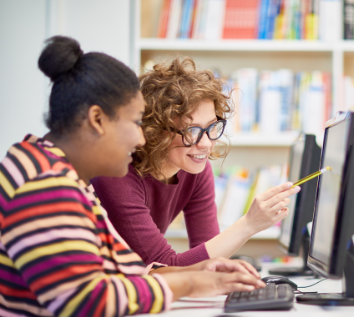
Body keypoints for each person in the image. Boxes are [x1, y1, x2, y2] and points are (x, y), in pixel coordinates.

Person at [0, 37, 264, 317]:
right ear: (98, 120)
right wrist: (191, 284)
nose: (142, 137)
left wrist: (196, 273)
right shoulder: (46, 187)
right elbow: (92, 309)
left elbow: (119, 271)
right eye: (137, 122)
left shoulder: (50, 168)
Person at [92, 57, 300, 267]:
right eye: (192, 131)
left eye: (212, 127)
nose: (206, 144)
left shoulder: (196, 171)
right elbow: (164, 266)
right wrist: (248, 224)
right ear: (155, 131)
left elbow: (208, 256)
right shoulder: (116, 174)